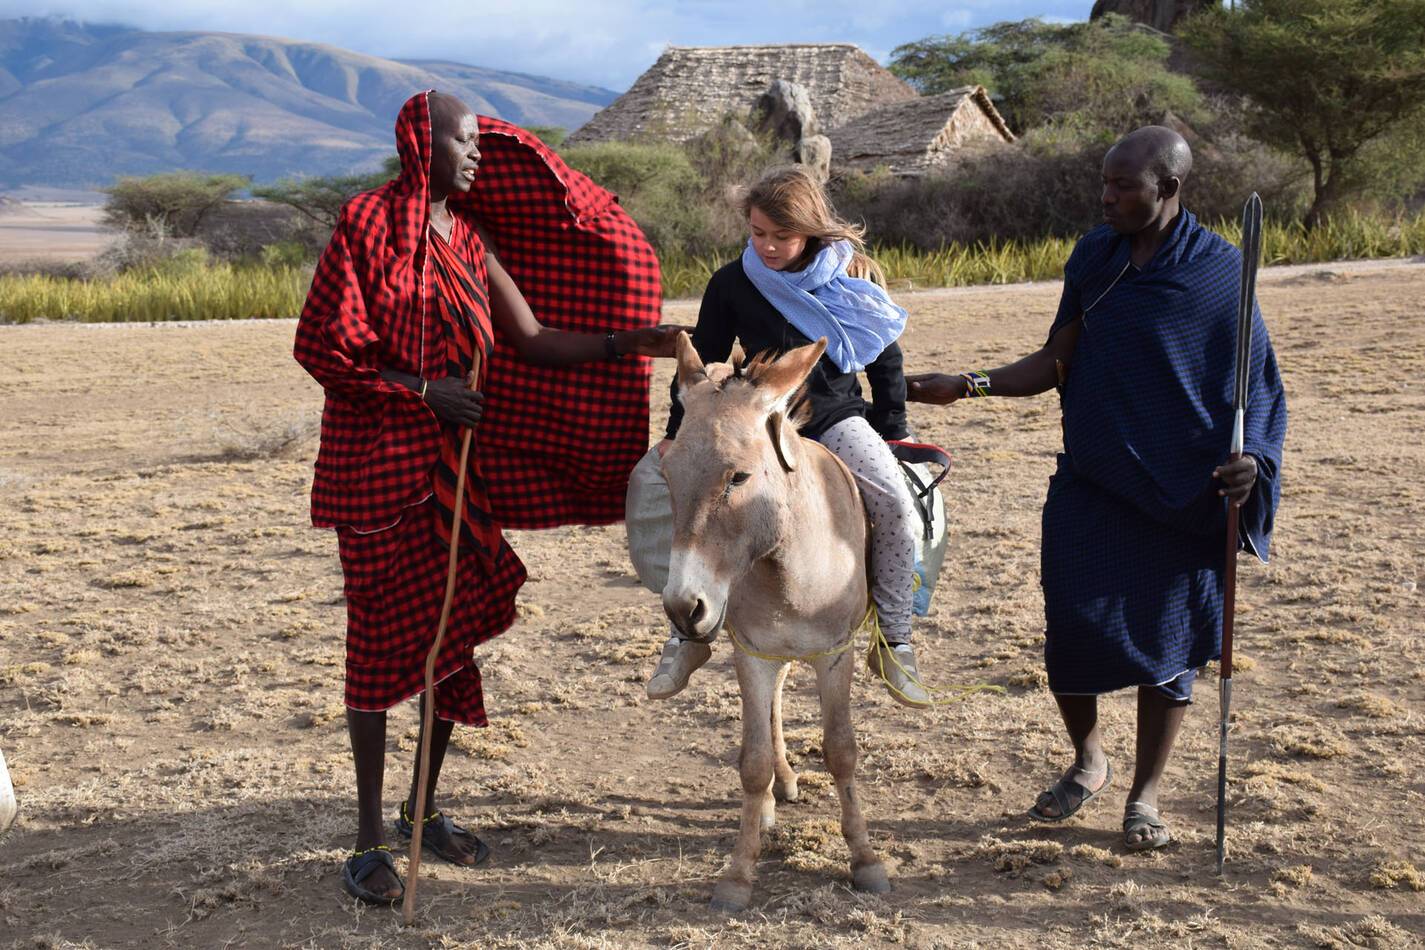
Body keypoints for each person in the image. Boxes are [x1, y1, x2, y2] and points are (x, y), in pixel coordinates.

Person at [295, 90, 681, 904]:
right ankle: (366, 842)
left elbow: (533, 340)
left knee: (448, 640)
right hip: (375, 470)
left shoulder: (468, 240)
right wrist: (422, 391)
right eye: (461, 142)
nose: (474, 156)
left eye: (478, 143)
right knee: (376, 649)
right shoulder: (364, 226)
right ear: (418, 143)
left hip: (454, 474)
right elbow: (323, 347)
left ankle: (421, 810)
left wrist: (626, 342)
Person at [906, 126, 1287, 851]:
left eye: (1122, 187)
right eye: (1103, 183)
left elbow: (1258, 390)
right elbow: (1057, 359)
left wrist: (1253, 466)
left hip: (1185, 492)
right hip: (1092, 480)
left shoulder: (1218, 272)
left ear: (1167, 190)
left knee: (1170, 645)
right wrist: (968, 384)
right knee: (1071, 636)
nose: (1105, 197)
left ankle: (1144, 795)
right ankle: (1088, 760)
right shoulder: (1094, 255)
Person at [646, 165, 931, 708]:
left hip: (836, 420)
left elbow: (885, 359)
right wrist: (675, 435)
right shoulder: (732, 282)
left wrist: (893, 429)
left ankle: (895, 640)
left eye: (783, 236)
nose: (769, 247)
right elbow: (702, 362)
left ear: (812, 230)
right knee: (686, 498)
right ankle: (685, 636)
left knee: (895, 504)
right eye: (758, 234)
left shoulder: (855, 275)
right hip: (754, 424)